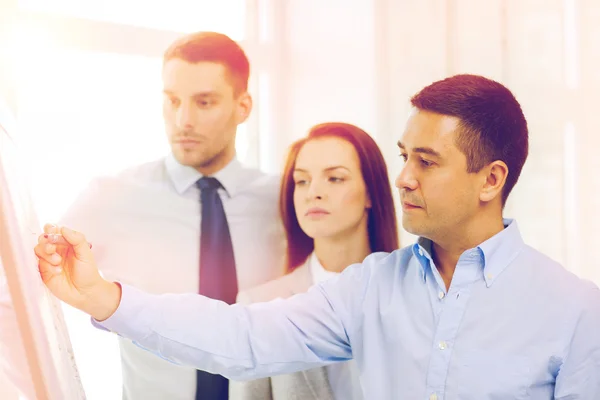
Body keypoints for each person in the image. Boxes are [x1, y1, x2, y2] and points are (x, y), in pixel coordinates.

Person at [35, 74, 600, 399]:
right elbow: (242, 337)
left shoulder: (574, 312)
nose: (404, 176)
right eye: (404, 157)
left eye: (427, 161)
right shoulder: (369, 288)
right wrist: (106, 298)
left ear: (491, 180)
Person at [56, 31, 285, 400]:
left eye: (204, 102)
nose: (183, 120)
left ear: (243, 107)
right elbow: (20, 294)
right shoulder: (112, 195)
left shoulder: (283, 201)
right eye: (172, 101)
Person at [229, 122, 398, 400]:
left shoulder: (413, 294)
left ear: (370, 192)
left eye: (335, 178)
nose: (313, 192)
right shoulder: (261, 307)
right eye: (302, 181)